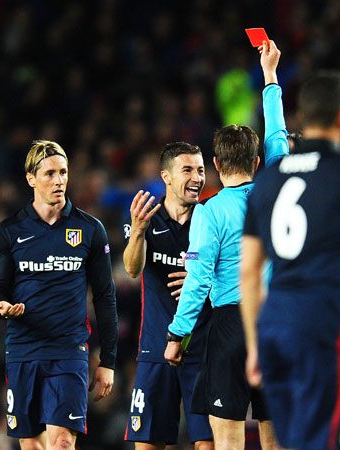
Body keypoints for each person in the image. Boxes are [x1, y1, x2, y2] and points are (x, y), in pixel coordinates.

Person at [240, 69, 340, 450]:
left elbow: (248, 272)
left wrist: (255, 344)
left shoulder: (269, 179)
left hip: (276, 329)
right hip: (324, 330)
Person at [164, 40, 287, 449]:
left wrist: (177, 335)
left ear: (216, 165)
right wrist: (270, 77)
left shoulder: (209, 212)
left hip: (231, 325)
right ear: (257, 163)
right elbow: (278, 138)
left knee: (228, 440)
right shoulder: (277, 190)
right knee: (276, 437)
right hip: (277, 322)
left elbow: (197, 278)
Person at [0, 140, 118, 450]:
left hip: (68, 352)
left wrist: (108, 360)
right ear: (31, 178)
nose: (59, 181)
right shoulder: (9, 231)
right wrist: (0, 307)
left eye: (63, 172)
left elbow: (105, 296)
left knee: (61, 443)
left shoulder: (90, 230)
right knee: (32, 445)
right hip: (23, 351)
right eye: (49, 174)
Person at [122, 142, 213, 449]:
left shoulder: (212, 220)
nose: (196, 178)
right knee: (147, 444)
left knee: (208, 444)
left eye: (200, 170)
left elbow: (236, 276)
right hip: (156, 349)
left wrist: (202, 278)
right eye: (187, 170)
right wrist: (136, 232)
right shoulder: (149, 219)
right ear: (166, 176)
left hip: (202, 351)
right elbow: (132, 269)